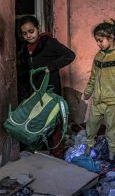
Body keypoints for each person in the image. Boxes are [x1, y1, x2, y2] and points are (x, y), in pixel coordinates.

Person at [17, 15, 76, 159]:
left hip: (50, 89)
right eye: (24, 33)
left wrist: (51, 67)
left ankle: (57, 154)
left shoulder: (48, 42)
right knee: (37, 119)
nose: (28, 36)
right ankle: (39, 149)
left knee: (54, 120)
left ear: (38, 29)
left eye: (31, 31)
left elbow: (70, 55)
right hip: (34, 91)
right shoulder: (24, 48)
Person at [83, 18, 115, 161]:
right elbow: (93, 77)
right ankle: (88, 147)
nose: (98, 44)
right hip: (97, 100)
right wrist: (88, 92)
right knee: (91, 125)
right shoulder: (98, 56)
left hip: (113, 101)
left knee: (112, 129)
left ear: (111, 37)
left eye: (100, 40)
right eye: (97, 41)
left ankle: (112, 152)